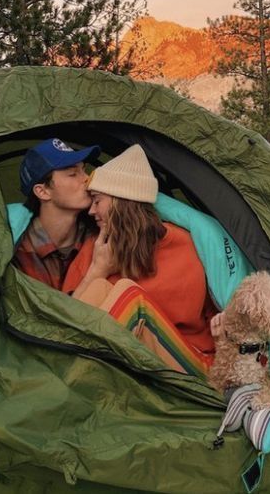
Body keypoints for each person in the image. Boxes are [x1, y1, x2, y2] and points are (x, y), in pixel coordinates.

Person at [62, 144, 216, 377]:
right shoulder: (97, 251)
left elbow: (223, 312)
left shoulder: (189, 244)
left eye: (97, 200)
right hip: (133, 367)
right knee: (101, 287)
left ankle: (69, 381)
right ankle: (63, 374)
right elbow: (66, 322)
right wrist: (97, 270)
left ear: (122, 200)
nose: (91, 211)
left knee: (132, 300)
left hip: (194, 362)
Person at [12, 137, 101, 291]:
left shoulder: (99, 236)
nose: (87, 179)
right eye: (73, 174)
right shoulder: (19, 251)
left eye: (84, 169)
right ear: (43, 191)